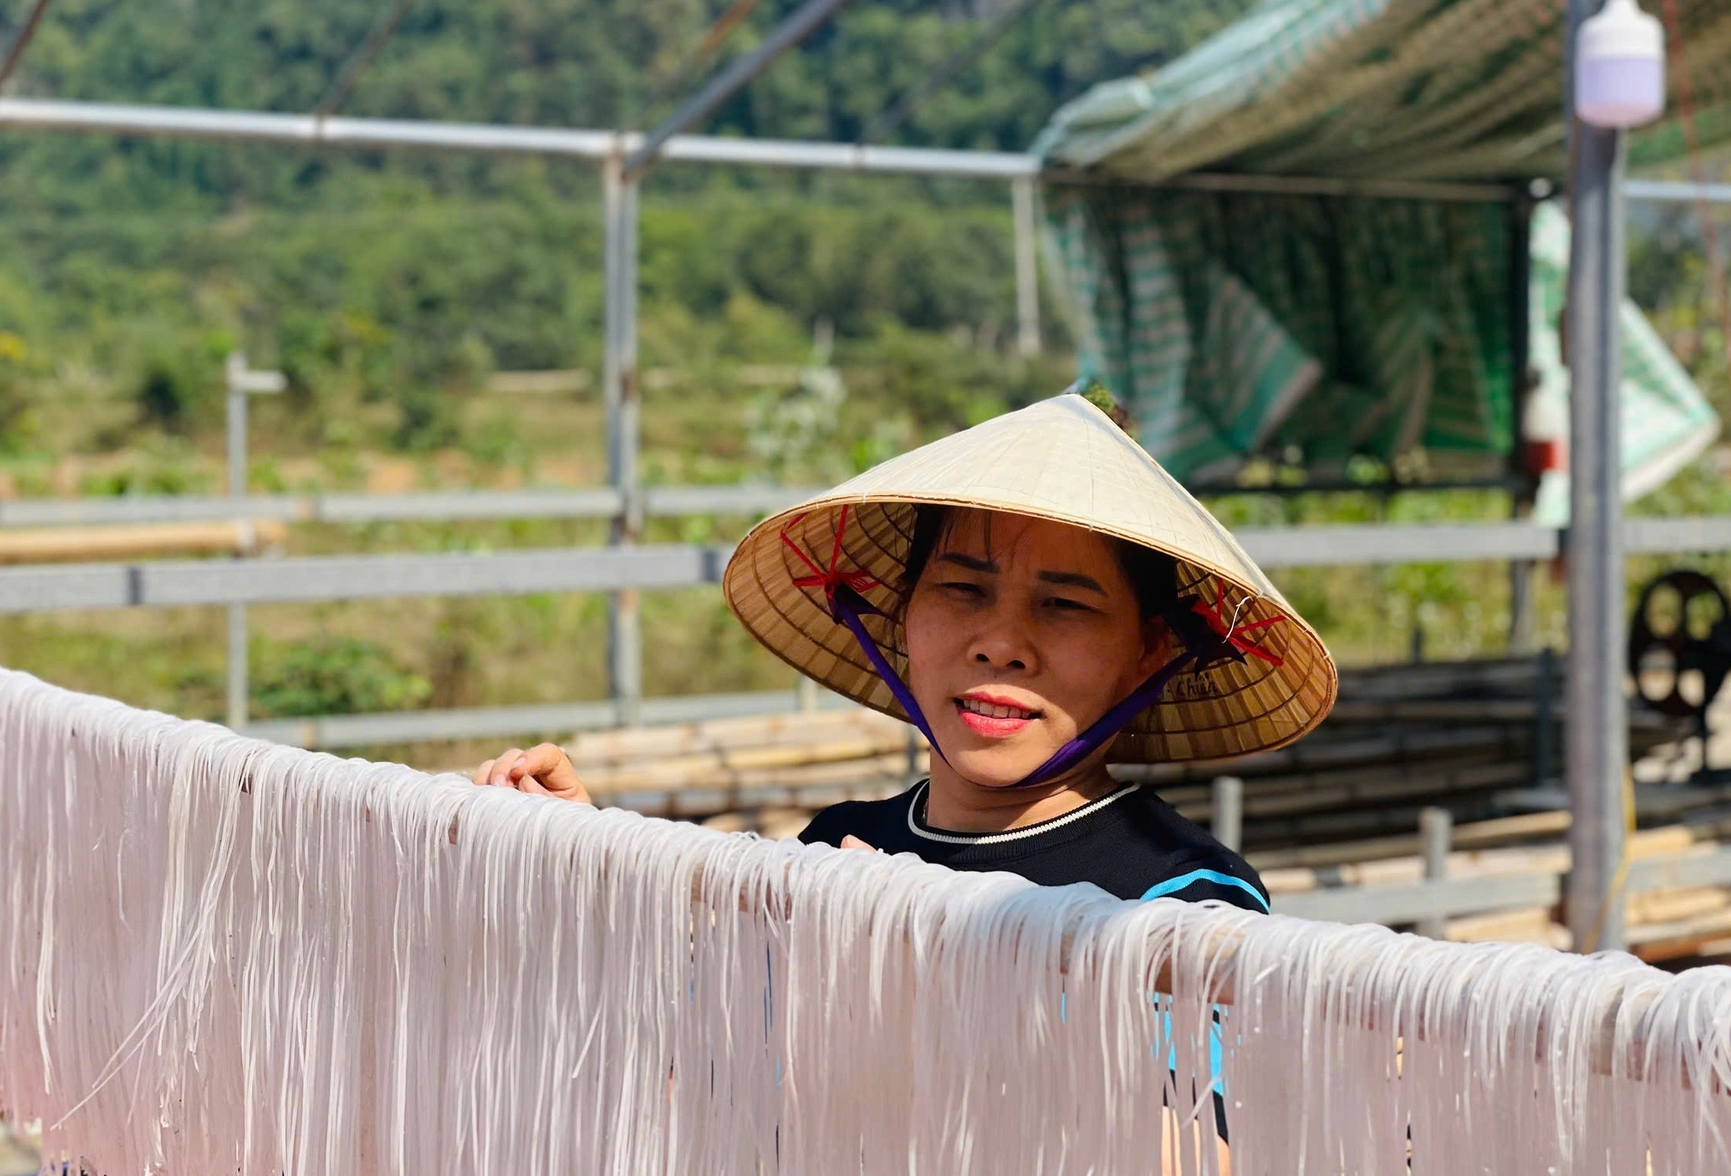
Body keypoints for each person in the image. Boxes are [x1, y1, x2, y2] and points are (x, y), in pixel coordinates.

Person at [473, 390, 1337, 914]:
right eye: (962, 590)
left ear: (1154, 652)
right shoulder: (840, 847)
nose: (1001, 643)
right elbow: (710, 1046)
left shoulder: (1179, 896)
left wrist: (920, 995)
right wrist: (585, 852)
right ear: (898, 615)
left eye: (1065, 606)